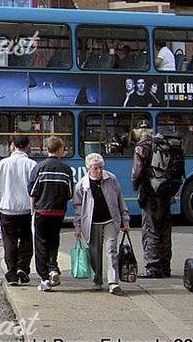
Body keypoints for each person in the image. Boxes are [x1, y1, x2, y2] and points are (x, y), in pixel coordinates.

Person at [73, 153, 130, 295]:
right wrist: (78, 226)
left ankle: (113, 282)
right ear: (88, 168)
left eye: (100, 168)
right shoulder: (82, 185)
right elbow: (78, 207)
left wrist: (125, 220)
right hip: (91, 223)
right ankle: (97, 280)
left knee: (111, 250)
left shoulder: (111, 179)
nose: (99, 171)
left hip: (110, 220)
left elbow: (120, 200)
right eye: (95, 168)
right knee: (95, 253)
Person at [28, 135, 74, 291]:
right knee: (54, 241)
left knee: (41, 243)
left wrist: (33, 210)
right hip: (58, 212)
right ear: (60, 149)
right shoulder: (66, 169)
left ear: (47, 149)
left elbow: (33, 192)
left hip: (42, 211)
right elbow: (69, 193)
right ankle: (53, 267)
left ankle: (44, 278)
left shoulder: (39, 168)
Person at [0, 135, 36, 285]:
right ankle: (23, 266)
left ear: (12, 146)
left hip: (7, 209)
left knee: (9, 241)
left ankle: (11, 273)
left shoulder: (3, 164)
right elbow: (36, 186)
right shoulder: (32, 165)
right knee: (26, 240)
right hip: (26, 209)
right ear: (27, 147)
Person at [131, 123, 172, 277]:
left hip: (150, 193)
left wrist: (136, 187)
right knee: (164, 230)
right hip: (165, 192)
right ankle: (165, 266)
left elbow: (137, 172)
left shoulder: (141, 148)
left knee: (151, 229)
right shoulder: (161, 146)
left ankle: (153, 267)